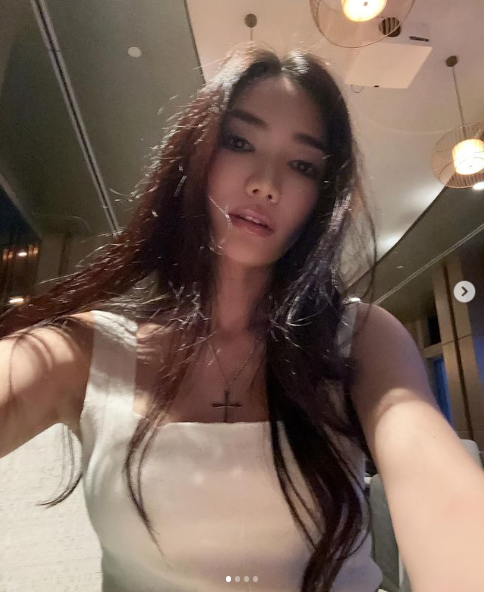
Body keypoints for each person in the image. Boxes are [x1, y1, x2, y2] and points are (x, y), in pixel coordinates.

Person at [0, 43, 384, 592]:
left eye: (302, 165)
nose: (266, 183)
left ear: (321, 199)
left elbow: (437, 482)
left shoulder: (359, 339)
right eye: (239, 142)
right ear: (193, 160)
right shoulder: (86, 352)